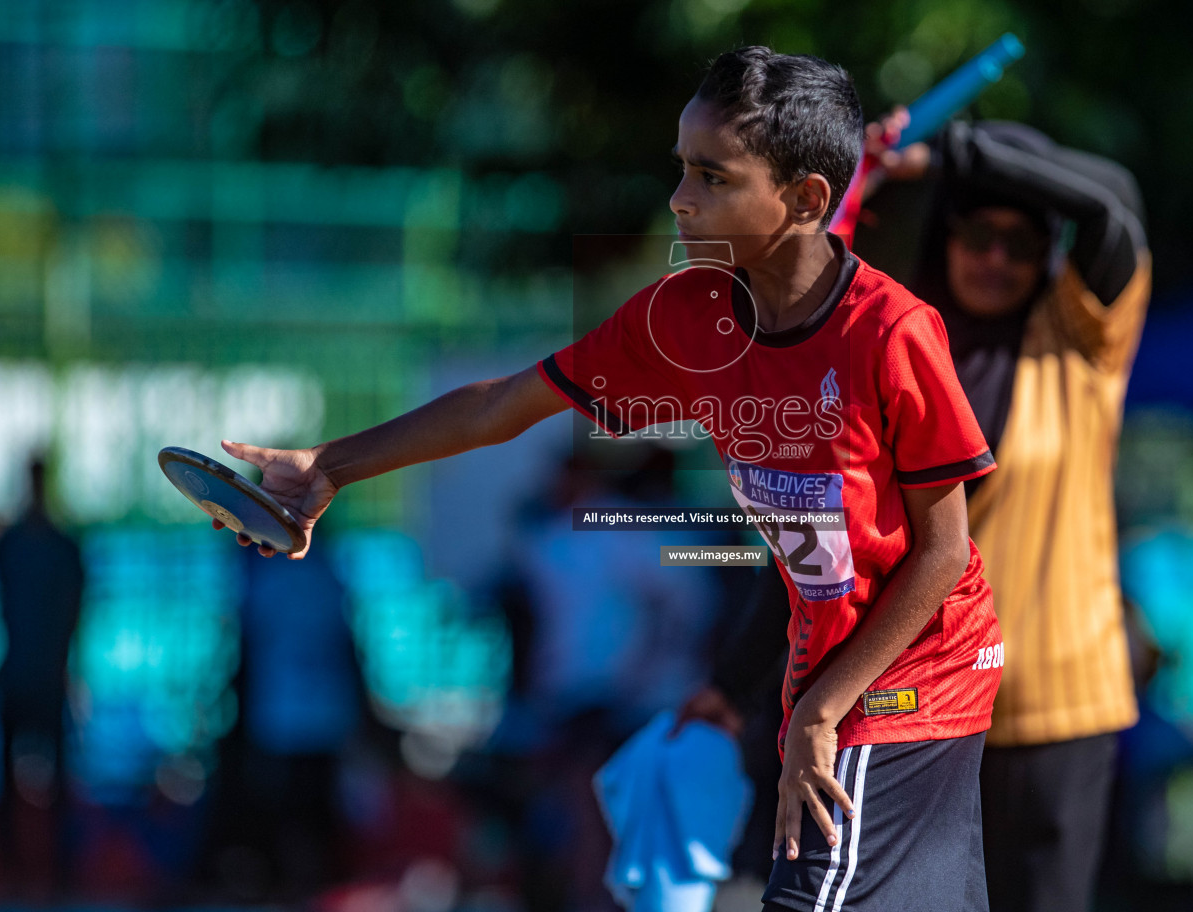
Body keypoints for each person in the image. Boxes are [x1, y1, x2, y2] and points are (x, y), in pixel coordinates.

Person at [215, 46, 1004, 912]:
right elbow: (503, 406)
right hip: (824, 672)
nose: (679, 198)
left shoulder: (892, 332)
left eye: (713, 176)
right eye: (683, 169)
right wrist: (330, 465)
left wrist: (820, 710)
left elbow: (943, 553)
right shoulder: (687, 320)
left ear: (804, 199)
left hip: (911, 676)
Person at [693, 114, 1151, 912]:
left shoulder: (1080, 338)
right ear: (944, 235)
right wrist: (733, 682)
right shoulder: (894, 346)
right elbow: (828, 554)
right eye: (978, 234)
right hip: (921, 707)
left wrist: (947, 152)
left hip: (1054, 702)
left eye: (1021, 243)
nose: (997, 260)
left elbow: (1115, 204)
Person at [0, 456, 85, 888]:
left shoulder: (16, 544)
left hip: (33, 675)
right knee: (31, 780)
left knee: (43, 781)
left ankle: (47, 869)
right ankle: (36, 868)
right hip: (36, 675)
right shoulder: (55, 546)